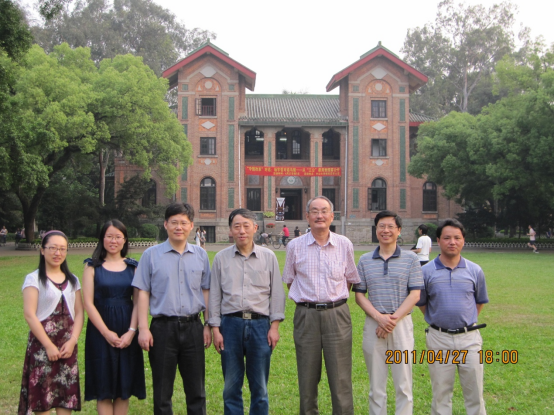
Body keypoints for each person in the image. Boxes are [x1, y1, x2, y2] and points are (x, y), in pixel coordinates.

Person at [283, 196, 361, 415]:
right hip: (306, 316)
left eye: (324, 211)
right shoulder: (294, 246)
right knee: (307, 376)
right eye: (315, 211)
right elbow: (290, 281)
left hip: (337, 315)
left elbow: (349, 279)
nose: (320, 216)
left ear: (332, 216)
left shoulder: (344, 244)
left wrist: (332, 299)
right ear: (307, 216)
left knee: (341, 377)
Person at [133, 203, 212, 415]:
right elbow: (143, 292)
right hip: (162, 329)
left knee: (196, 390)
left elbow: (206, 290)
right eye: (174, 222)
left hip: (193, 327)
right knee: (162, 392)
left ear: (192, 226)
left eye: (184, 223)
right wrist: (143, 329)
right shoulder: (150, 255)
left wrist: (207, 324)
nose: (179, 227)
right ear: (165, 224)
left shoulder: (201, 255)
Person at [209, 209, 286, 415]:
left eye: (246, 226)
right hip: (230, 325)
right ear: (230, 230)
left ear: (255, 228)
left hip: (260, 326)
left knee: (259, 387)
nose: (241, 231)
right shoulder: (221, 258)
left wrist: (274, 327)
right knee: (231, 387)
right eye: (237, 226)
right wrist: (215, 329)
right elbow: (214, 295)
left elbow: (277, 293)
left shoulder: (268, 257)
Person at [417, 219, 489, 415]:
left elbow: (479, 301)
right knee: (440, 394)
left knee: (475, 394)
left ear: (463, 240)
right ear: (438, 240)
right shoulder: (425, 271)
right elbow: (422, 303)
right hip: (438, 339)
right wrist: (439, 321)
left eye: (457, 238)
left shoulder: (475, 270)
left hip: (469, 339)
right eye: (447, 238)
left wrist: (464, 322)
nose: (452, 242)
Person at [354, 211, 423, 415]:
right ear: (376, 230)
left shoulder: (411, 259)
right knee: (376, 385)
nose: (386, 230)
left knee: (403, 384)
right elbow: (359, 296)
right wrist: (379, 318)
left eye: (391, 226)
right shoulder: (365, 260)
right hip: (374, 325)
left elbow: (415, 295)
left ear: (399, 230)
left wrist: (391, 321)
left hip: (401, 325)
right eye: (381, 226)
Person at [82, 220, 146, 415]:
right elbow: (88, 303)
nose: (113, 241)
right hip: (100, 331)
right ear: (102, 238)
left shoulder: (133, 267)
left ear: (124, 240)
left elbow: (138, 303)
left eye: (118, 237)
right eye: (109, 236)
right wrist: (106, 333)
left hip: (127, 328)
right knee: (103, 388)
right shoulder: (92, 266)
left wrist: (131, 332)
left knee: (123, 388)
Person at [19, 231, 84, 415]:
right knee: (43, 400)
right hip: (42, 346)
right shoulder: (34, 279)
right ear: (42, 250)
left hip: (67, 347)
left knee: (65, 398)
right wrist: (48, 345)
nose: (58, 253)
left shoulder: (73, 280)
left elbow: (79, 313)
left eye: (62, 249)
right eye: (53, 248)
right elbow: (30, 314)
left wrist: (73, 341)